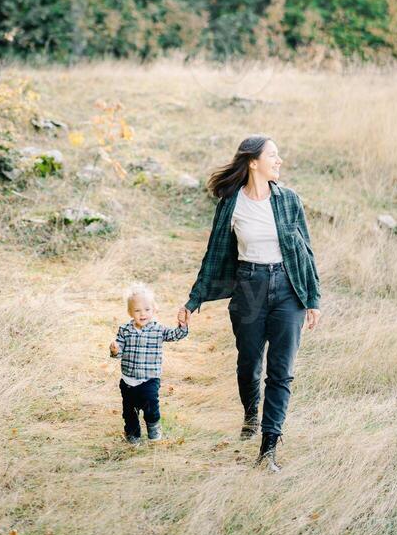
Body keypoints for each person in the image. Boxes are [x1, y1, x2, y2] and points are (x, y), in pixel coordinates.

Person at [177, 135, 321, 471]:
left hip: (289, 289)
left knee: (281, 372)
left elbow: (306, 250)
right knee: (249, 361)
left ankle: (268, 448)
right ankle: (250, 414)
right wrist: (194, 299)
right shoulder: (231, 203)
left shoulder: (289, 200)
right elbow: (214, 253)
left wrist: (312, 298)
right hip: (250, 287)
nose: (279, 160)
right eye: (273, 155)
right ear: (253, 161)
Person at [110, 282, 188, 446]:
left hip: (150, 378)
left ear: (154, 310)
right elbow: (119, 350)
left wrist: (182, 325)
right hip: (128, 380)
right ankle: (133, 435)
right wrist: (115, 350)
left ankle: (153, 427)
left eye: (147, 309)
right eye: (137, 310)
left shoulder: (158, 329)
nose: (142, 314)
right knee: (129, 410)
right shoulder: (124, 329)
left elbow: (175, 335)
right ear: (130, 312)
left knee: (150, 406)